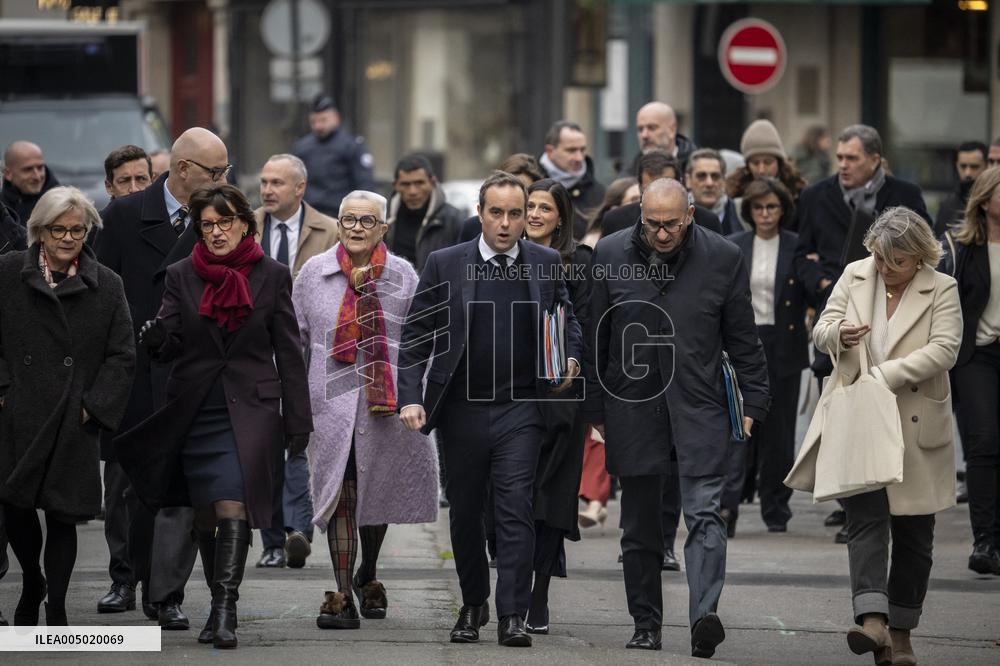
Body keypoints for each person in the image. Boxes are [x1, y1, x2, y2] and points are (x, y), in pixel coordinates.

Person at [115, 184, 313, 649]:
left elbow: (289, 352)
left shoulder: (273, 275)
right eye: (207, 225)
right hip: (195, 408)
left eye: (225, 222)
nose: (217, 232)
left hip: (253, 408)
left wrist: (298, 420)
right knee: (205, 513)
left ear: (245, 223)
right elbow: (171, 343)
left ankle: (225, 609)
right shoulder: (182, 274)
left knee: (232, 503)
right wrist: (157, 339)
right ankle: (215, 602)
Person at [585, 178, 770, 657]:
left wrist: (754, 402)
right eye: (653, 224)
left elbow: (743, 336)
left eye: (671, 224)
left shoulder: (723, 257)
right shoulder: (609, 253)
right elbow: (594, 337)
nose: (662, 233)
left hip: (700, 404)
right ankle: (645, 624)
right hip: (632, 407)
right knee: (639, 526)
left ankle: (704, 616)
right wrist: (595, 409)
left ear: (689, 214)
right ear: (640, 216)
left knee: (705, 514)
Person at [397, 171, 582, 648]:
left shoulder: (544, 262)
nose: (505, 223)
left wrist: (571, 357)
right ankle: (473, 602)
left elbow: (566, 318)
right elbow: (416, 335)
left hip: (522, 409)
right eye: (496, 213)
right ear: (479, 213)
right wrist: (411, 396)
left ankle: (512, 614)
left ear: (525, 217)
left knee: (516, 508)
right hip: (462, 410)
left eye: (515, 214)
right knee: (465, 513)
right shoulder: (445, 263)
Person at [793, 206, 960, 666]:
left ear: (920, 256)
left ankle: (900, 635)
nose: (885, 268)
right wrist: (839, 335)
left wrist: (886, 375)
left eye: (897, 262)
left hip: (915, 421)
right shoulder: (855, 273)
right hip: (861, 415)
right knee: (865, 520)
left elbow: (945, 349)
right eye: (880, 258)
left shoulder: (943, 287)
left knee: (914, 534)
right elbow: (821, 328)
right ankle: (872, 620)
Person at [97, 127, 231, 628]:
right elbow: (100, 299)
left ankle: (167, 593)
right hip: (134, 373)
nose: (222, 180)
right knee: (129, 487)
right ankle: (124, 579)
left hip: (193, 374)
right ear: (182, 170)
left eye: (226, 171)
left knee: (185, 490)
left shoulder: (220, 219)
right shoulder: (124, 216)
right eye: (215, 172)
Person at [292, 190, 439, 629]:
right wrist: (290, 399)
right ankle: (341, 595)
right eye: (349, 220)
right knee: (342, 494)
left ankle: (367, 573)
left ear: (383, 228)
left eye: (367, 220)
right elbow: (294, 340)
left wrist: (419, 396)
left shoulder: (403, 275)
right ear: (338, 225)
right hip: (330, 407)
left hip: (385, 408)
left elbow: (420, 340)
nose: (357, 228)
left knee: (376, 491)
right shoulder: (313, 274)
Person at [0, 186, 135, 626]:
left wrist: (95, 406)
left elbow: (122, 354)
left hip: (73, 418)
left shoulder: (107, 284)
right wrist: (4, 388)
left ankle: (56, 606)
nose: (68, 238)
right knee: (15, 506)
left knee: (63, 514)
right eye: (58, 230)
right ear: (39, 230)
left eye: (77, 230)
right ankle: (32, 579)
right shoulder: (8, 273)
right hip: (18, 412)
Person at [793, 124, 932, 541]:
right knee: (842, 413)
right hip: (838, 313)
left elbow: (924, 252)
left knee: (891, 420)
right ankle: (853, 504)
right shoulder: (816, 196)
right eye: (839, 157)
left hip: (895, 316)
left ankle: (886, 502)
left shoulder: (905, 194)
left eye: (851, 158)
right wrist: (823, 282)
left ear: (875, 159)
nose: (843, 165)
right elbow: (800, 255)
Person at [254, 153, 340, 569]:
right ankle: (274, 540)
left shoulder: (330, 230)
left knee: (299, 440)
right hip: (258, 349)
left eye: (277, 183)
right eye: (264, 182)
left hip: (310, 351)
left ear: (300, 188)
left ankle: (297, 530)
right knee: (265, 444)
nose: (267, 190)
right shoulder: (246, 226)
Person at [521, 179, 590, 634]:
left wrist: (574, 364)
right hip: (511, 393)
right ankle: (513, 581)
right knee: (514, 495)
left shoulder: (579, 262)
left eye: (545, 208)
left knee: (551, 501)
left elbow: (585, 323)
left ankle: (539, 594)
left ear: (561, 217)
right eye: (530, 205)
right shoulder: (507, 257)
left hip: (562, 397)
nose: (535, 214)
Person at [724, 179, 808, 536]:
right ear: (749, 210)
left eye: (772, 206)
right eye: (758, 207)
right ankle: (728, 505)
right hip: (744, 339)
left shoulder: (797, 245)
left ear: (783, 209)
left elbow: (809, 287)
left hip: (784, 341)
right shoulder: (734, 245)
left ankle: (776, 507)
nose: (765, 214)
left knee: (780, 430)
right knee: (736, 422)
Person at [94, 144, 155, 615]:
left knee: (160, 488)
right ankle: (122, 578)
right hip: (119, 371)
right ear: (110, 187)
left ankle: (159, 585)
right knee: (117, 485)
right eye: (125, 181)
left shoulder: (172, 223)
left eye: (142, 179)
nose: (135, 188)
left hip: (164, 370)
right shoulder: (105, 227)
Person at [941, 166, 1000, 575]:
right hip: (976, 355)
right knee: (983, 441)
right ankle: (984, 541)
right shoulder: (961, 247)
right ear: (985, 197)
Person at [602, 150, 722, 237]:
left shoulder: (708, 221)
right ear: (639, 188)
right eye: (651, 190)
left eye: (666, 189)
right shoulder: (615, 220)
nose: (659, 197)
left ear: (681, 184)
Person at [292, 94, 375, 218]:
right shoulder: (302, 147)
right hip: (308, 213)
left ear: (336, 118)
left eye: (323, 120)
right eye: (314, 122)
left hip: (340, 214)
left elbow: (364, 184)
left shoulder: (351, 146)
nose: (318, 126)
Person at [385, 154, 464, 270]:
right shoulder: (383, 218)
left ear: (432, 182)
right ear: (395, 185)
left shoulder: (454, 220)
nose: (412, 191)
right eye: (405, 184)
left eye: (419, 183)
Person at [725, 120, 806, 228]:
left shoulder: (799, 195)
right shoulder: (733, 197)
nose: (761, 170)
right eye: (755, 163)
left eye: (768, 162)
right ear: (747, 166)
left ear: (779, 163)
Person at [539, 121, 605, 238]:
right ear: (550, 151)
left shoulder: (599, 193)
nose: (579, 158)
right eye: (571, 150)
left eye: (582, 150)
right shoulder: (532, 184)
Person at [459, 154, 545, 243]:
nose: (505, 223)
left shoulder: (540, 225)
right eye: (508, 188)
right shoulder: (473, 227)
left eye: (524, 191)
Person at [622, 101, 698, 176]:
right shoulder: (630, 173)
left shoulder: (696, 167)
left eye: (652, 128)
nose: (644, 135)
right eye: (640, 129)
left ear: (672, 129)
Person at [935, 141, 988, 235]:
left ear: (986, 166)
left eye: (974, 167)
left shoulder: (993, 203)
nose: (968, 173)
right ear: (957, 166)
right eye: (963, 166)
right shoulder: (947, 205)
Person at [1, 141, 60, 225]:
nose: (37, 177)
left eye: (40, 168)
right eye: (28, 170)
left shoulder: (64, 205)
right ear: (8, 174)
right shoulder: (2, 208)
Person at [686, 148, 742, 235]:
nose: (709, 183)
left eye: (715, 176)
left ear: (724, 181)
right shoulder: (678, 214)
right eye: (701, 176)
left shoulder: (741, 214)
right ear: (688, 180)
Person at [581, 176, 637, 249]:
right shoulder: (592, 245)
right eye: (634, 200)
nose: (639, 205)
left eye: (642, 198)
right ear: (615, 208)